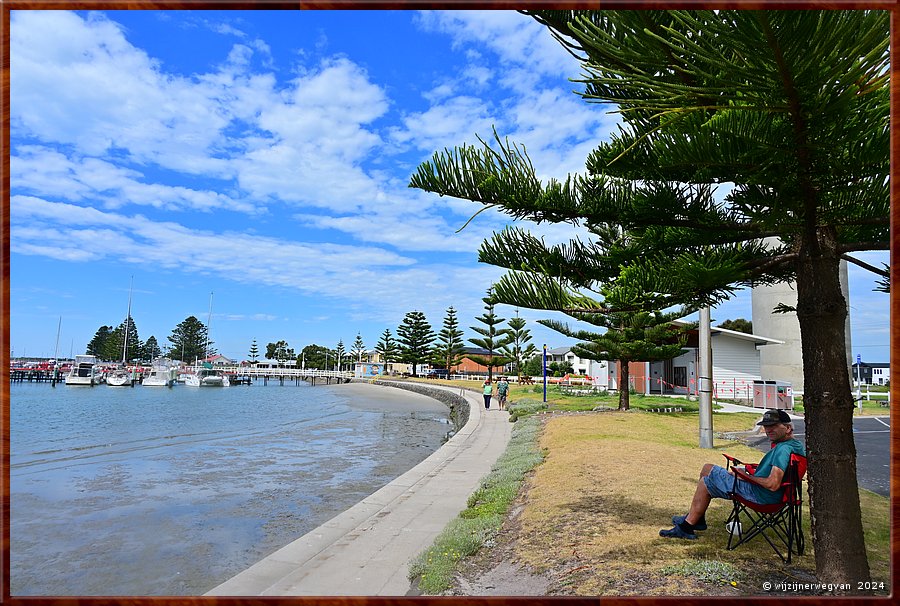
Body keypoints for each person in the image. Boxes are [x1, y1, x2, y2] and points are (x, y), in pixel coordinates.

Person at [659, 409, 806, 540]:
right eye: (766, 426)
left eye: (773, 426)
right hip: (770, 494)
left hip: (760, 496)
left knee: (706, 481)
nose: (768, 430)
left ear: (787, 428)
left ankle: (686, 527)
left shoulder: (783, 450)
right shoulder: (795, 446)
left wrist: (745, 476)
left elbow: (772, 484)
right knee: (707, 468)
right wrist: (748, 472)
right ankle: (697, 519)